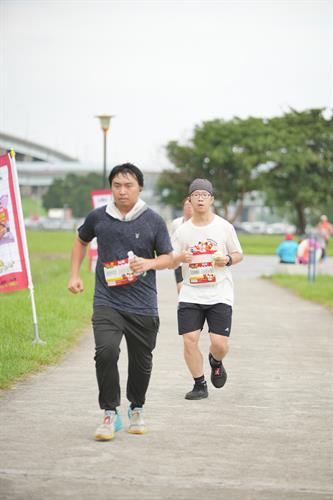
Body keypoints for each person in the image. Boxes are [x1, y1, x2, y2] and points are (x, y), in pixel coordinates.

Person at [68, 163, 173, 441]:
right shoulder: (98, 216)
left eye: (128, 185)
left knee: (141, 361)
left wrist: (148, 263)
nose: (122, 191)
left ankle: (136, 408)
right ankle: (109, 413)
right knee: (106, 352)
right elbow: (80, 241)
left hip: (143, 303)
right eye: (117, 185)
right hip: (107, 300)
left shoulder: (153, 220)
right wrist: (75, 275)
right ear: (111, 188)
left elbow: (168, 258)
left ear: (139, 187)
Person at [171, 178, 243, 400]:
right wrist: (180, 257)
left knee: (219, 344)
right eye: (196, 195)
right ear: (189, 200)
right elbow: (171, 260)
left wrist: (228, 259)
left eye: (205, 195)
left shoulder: (224, 227)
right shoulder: (182, 231)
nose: (200, 198)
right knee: (189, 340)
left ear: (211, 199)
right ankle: (199, 384)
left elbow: (239, 254)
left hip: (219, 292)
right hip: (191, 293)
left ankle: (216, 361)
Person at [170, 198, 193, 293]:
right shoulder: (176, 223)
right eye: (186, 205)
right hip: (179, 260)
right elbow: (172, 240)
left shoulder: (198, 224)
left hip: (193, 261)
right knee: (180, 288)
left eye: (190, 206)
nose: (188, 208)